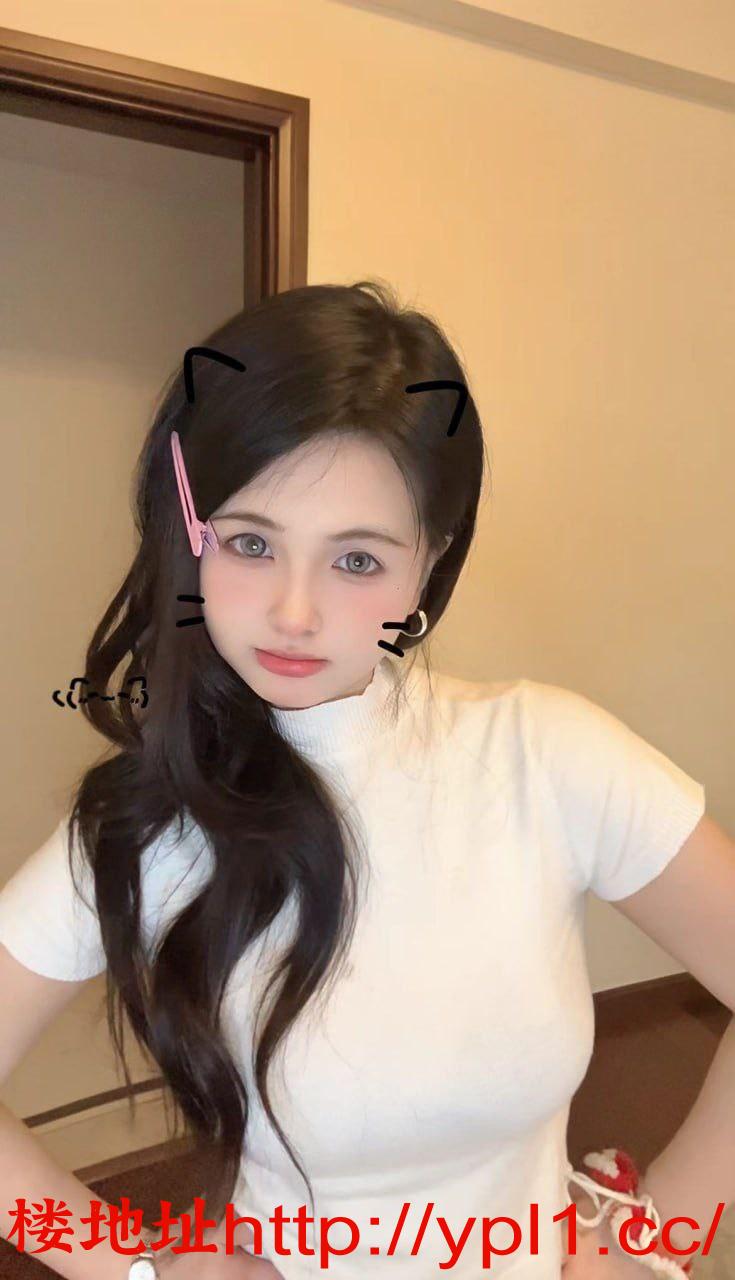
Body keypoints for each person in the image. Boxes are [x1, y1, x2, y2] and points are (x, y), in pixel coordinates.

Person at [0, 280, 705, 1278]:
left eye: (357, 561)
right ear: (190, 532)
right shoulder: (149, 822)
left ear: (429, 562)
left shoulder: (549, 756)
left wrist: (654, 1245)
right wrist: (135, 1273)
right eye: (251, 543)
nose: (294, 612)